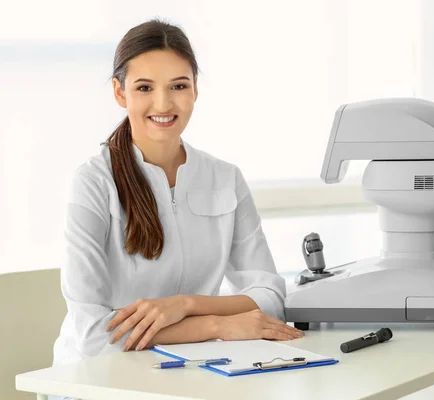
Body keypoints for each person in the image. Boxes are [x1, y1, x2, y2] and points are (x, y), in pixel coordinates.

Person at [52, 18, 302, 369]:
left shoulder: (225, 177)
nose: (163, 103)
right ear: (119, 92)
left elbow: (271, 295)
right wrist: (218, 325)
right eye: (144, 88)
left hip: (191, 372)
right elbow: (94, 336)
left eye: (178, 86)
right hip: (96, 380)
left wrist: (184, 305)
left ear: (195, 89)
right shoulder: (92, 183)